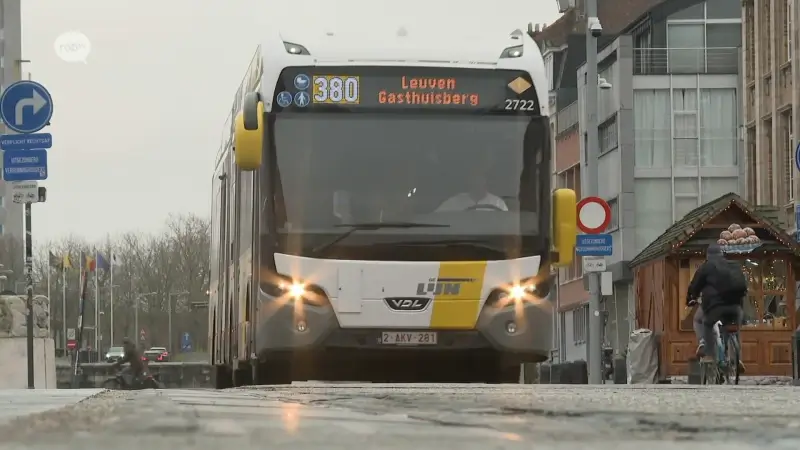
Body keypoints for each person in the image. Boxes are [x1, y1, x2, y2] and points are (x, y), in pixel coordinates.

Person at [686, 243, 747, 366]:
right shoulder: (733, 265)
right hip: (735, 307)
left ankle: (707, 350)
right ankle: (736, 359)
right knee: (733, 328)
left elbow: (695, 286)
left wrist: (690, 298)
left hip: (715, 307)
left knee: (703, 322)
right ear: (722, 254)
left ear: (708, 256)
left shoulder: (706, 267)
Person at [435, 167, 508, 212]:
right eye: (475, 177)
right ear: (469, 180)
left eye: (481, 177)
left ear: (486, 180)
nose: (478, 182)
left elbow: (506, 227)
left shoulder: (498, 204)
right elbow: (436, 218)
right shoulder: (454, 203)